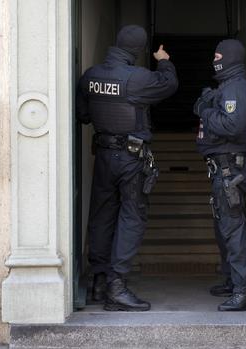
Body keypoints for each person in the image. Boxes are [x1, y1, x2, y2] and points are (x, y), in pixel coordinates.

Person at [77, 25, 178, 311]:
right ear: (138, 50)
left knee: (102, 215)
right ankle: (117, 286)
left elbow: (83, 114)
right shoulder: (138, 78)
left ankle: (98, 280)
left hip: (104, 157)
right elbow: (169, 85)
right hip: (130, 158)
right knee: (132, 217)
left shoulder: (91, 76)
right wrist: (165, 61)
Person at [193, 39, 246, 311]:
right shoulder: (226, 88)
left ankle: (244, 293)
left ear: (229, 58)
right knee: (224, 229)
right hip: (222, 168)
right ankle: (233, 281)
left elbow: (231, 125)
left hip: (231, 169)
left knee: (234, 229)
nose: (214, 59)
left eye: (219, 55)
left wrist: (206, 111)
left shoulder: (235, 89)